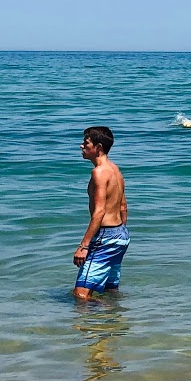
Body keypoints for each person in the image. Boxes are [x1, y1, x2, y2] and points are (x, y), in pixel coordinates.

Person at [73, 126, 129, 300]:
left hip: (105, 236)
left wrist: (84, 246)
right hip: (121, 235)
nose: (81, 146)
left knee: (81, 295)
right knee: (109, 290)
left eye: (86, 142)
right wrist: (119, 233)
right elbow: (123, 206)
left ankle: (95, 322)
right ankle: (113, 319)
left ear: (98, 147)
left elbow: (99, 212)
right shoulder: (115, 169)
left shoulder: (99, 173)